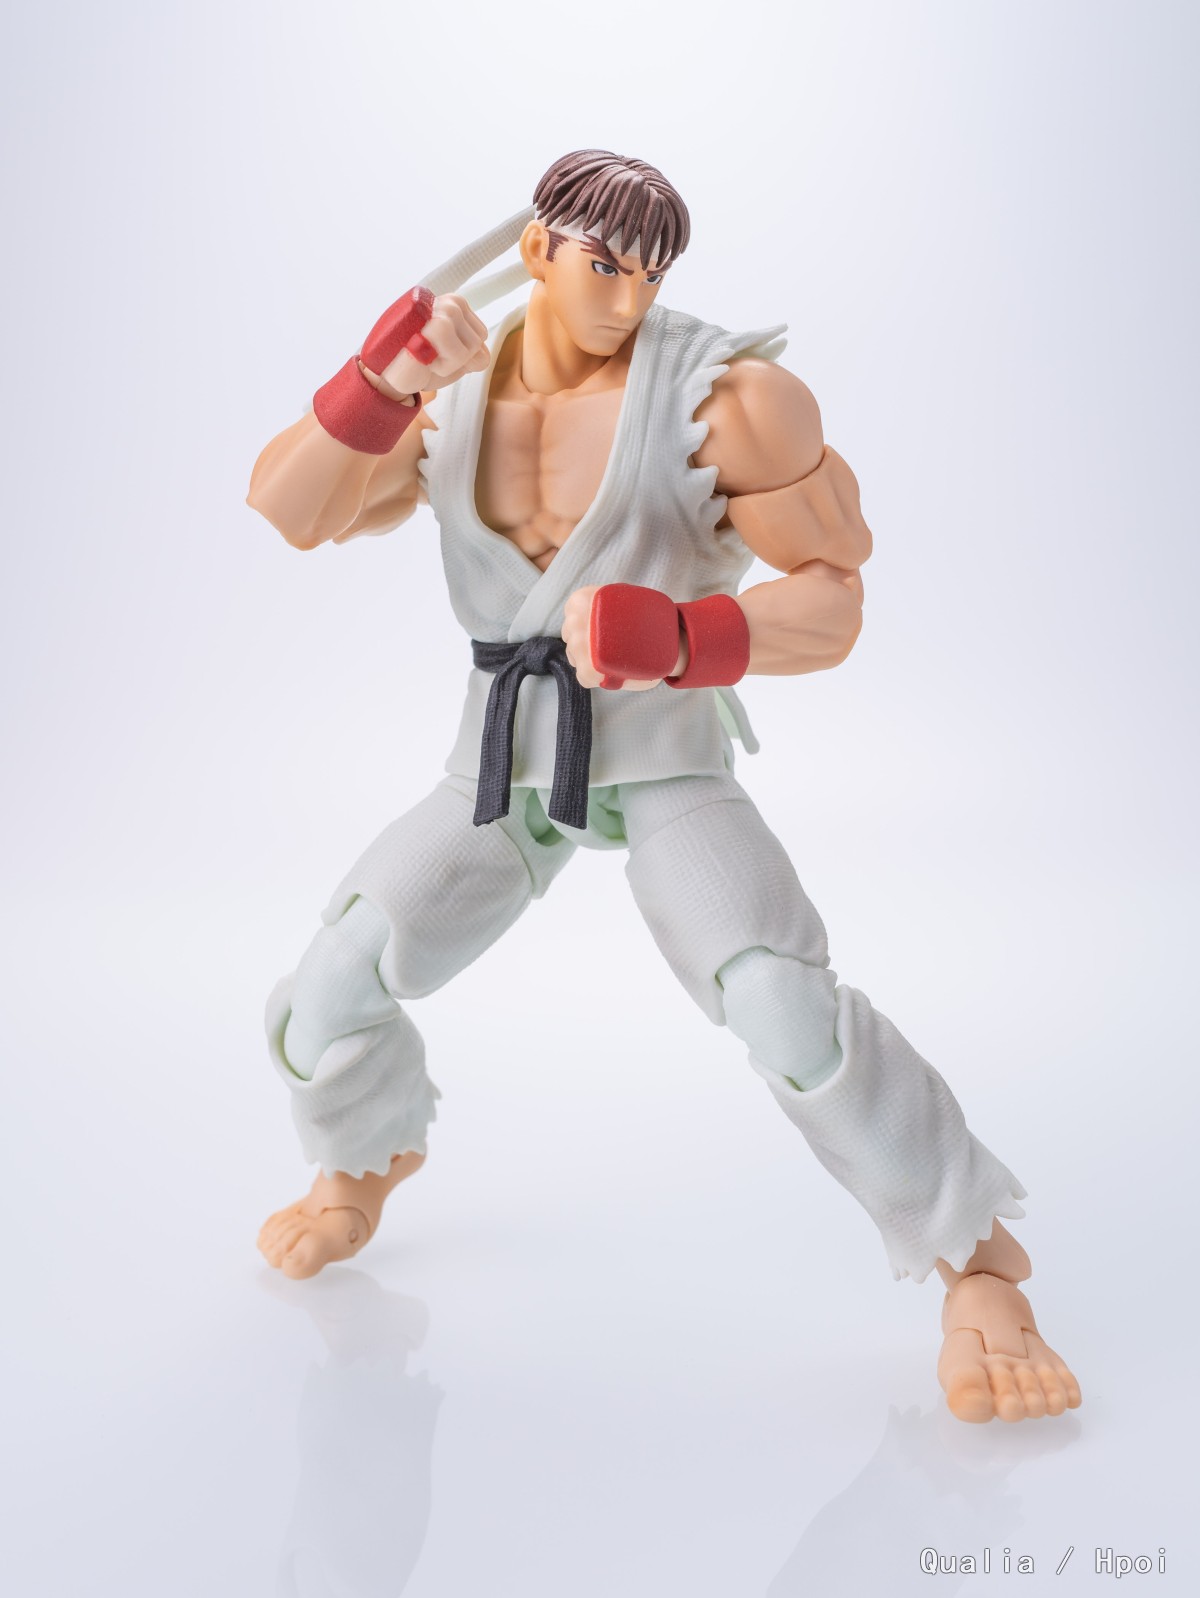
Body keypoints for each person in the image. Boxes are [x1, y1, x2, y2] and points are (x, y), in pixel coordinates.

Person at [248, 149, 1081, 1424]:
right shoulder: (448, 383)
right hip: (502, 760)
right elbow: (288, 508)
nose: (627, 298)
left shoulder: (730, 400)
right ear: (536, 250)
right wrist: (373, 384)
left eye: (649, 272)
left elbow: (833, 601)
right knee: (330, 983)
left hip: (664, 752)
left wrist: (691, 636)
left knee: (781, 1001)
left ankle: (980, 1267)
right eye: (603, 265)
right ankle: (365, 1154)